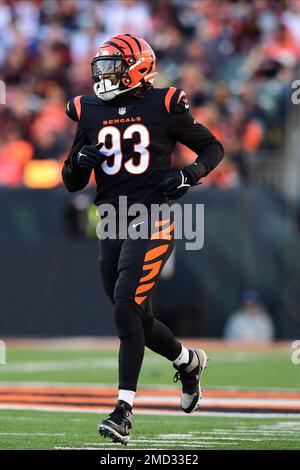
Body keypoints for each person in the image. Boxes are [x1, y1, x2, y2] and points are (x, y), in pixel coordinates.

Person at [62, 34, 224, 445]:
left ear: (137, 67)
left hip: (153, 216)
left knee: (124, 306)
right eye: (101, 66)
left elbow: (212, 147)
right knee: (137, 317)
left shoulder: (164, 103)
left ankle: (123, 411)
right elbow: (70, 181)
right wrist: (80, 162)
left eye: (112, 66)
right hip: (111, 221)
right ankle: (188, 363)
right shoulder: (89, 109)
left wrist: (189, 175)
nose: (104, 74)